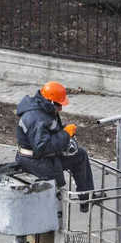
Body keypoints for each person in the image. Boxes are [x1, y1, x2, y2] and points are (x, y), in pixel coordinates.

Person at [15, 81, 99, 212]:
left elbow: (47, 130)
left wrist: (63, 130)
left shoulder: (41, 109)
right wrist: (65, 134)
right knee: (78, 158)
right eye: (59, 105)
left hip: (36, 159)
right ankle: (82, 200)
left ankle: (86, 198)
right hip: (36, 162)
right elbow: (42, 148)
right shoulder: (36, 118)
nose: (61, 108)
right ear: (51, 102)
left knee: (80, 155)